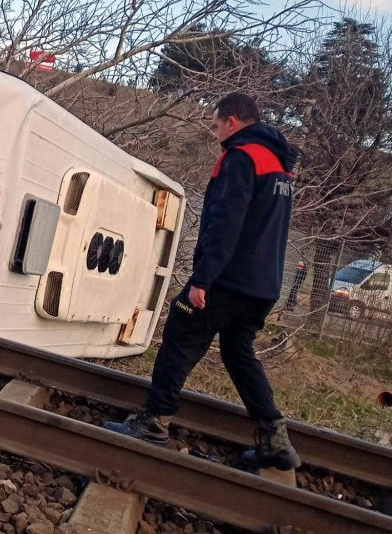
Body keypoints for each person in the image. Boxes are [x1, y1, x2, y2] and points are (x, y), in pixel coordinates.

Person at [105, 92, 302, 471]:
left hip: (229, 279)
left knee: (181, 332)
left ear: (232, 121)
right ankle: (274, 438)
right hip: (264, 284)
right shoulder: (278, 162)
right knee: (237, 351)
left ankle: (155, 420)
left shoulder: (241, 157)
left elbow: (225, 224)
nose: (215, 133)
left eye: (216, 125)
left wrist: (202, 280)